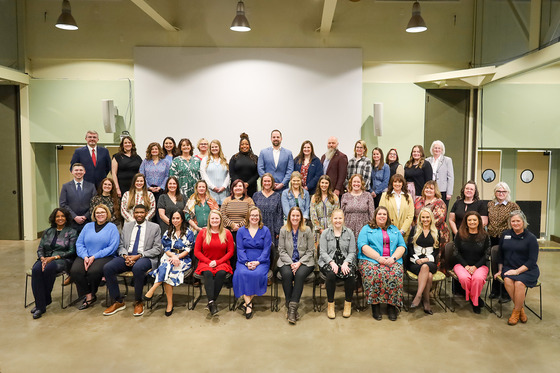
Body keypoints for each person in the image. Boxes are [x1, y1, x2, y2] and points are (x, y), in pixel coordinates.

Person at [103, 204, 163, 317]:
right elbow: (120, 245)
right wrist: (125, 256)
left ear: (146, 214)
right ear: (133, 214)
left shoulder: (154, 227)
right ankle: (118, 301)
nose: (139, 215)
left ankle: (138, 301)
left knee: (138, 268)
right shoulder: (127, 226)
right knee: (108, 267)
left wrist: (139, 256)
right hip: (127, 256)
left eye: (141, 212)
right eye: (137, 212)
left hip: (145, 257)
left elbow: (157, 249)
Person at [357, 206, 406, 321]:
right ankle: (375, 305)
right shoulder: (366, 229)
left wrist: (393, 258)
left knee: (396, 273)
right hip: (370, 260)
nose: (382, 216)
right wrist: (378, 258)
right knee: (373, 273)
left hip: (392, 260)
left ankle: (392, 306)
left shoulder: (394, 229)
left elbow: (402, 246)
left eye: (384, 214)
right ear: (375, 216)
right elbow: (363, 246)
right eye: (379, 214)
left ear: (387, 216)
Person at [144, 210, 194, 316]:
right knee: (168, 268)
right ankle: (169, 304)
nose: (175, 221)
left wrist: (177, 257)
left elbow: (188, 249)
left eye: (178, 218)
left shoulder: (189, 232)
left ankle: (154, 288)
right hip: (169, 256)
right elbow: (166, 248)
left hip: (183, 259)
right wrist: (172, 256)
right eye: (173, 218)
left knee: (167, 267)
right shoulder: (168, 232)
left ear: (182, 219)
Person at [30, 208, 77, 319]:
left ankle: (40, 305)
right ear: (54, 219)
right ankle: (42, 302)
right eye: (57, 216)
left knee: (47, 269)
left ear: (66, 218)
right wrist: (42, 258)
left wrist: (54, 257)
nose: (60, 218)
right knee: (36, 270)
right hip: (45, 259)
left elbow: (72, 251)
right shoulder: (48, 231)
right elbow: (40, 248)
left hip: (62, 259)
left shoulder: (71, 232)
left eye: (62, 216)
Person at [70, 204, 119, 310]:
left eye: (102, 212)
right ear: (94, 215)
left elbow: (112, 247)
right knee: (75, 271)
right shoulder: (87, 226)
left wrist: (94, 256)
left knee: (93, 272)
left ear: (107, 214)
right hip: (85, 255)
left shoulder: (112, 227)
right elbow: (79, 243)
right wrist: (85, 256)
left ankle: (91, 292)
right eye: (97, 213)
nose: (100, 214)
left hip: (104, 256)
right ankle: (89, 296)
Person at [495, 210, 540, 325]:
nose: (515, 223)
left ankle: (516, 312)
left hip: (527, 269)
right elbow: (500, 255)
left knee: (519, 283)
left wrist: (517, 271)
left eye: (518, 221)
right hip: (509, 267)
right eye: (513, 221)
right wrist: (500, 270)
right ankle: (520, 309)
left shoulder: (531, 238)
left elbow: (532, 261)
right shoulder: (505, 234)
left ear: (523, 222)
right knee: (507, 280)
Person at [277, 207, 315, 324]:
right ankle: (291, 307)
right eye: (293, 216)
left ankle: (292, 309)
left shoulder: (307, 230)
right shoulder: (283, 230)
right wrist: (291, 263)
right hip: (286, 261)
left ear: (301, 218)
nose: (295, 218)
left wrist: (299, 263)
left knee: (299, 275)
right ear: (289, 217)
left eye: (297, 216)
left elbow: (310, 251)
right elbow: (281, 250)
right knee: (287, 274)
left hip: (305, 261)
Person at [233, 207, 272, 319]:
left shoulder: (265, 230)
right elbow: (240, 249)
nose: (254, 217)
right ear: (248, 217)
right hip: (243, 260)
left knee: (257, 275)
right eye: (252, 215)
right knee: (241, 274)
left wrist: (257, 262)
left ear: (259, 217)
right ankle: (249, 304)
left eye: (256, 215)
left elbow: (266, 249)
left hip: (261, 261)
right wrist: (246, 263)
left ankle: (246, 303)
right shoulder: (241, 231)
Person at [194, 210, 235, 315]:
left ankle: (211, 302)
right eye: (212, 218)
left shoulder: (227, 233)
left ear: (220, 220)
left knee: (221, 273)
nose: (215, 220)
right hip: (205, 262)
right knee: (207, 273)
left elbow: (231, 251)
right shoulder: (203, 232)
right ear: (209, 220)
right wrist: (209, 261)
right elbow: (197, 252)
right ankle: (212, 302)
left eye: (217, 218)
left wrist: (218, 262)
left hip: (222, 262)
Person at [318, 209, 356, 319]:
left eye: (340, 218)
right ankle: (330, 304)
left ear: (343, 219)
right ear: (331, 219)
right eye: (335, 218)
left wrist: (346, 262)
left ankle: (348, 304)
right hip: (329, 260)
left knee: (350, 274)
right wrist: (331, 262)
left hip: (345, 260)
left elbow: (352, 251)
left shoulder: (349, 232)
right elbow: (323, 252)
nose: (338, 221)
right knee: (330, 274)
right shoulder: (325, 233)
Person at [453, 211, 491, 314]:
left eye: (474, 220)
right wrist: (466, 266)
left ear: (479, 221)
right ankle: (475, 298)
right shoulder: (459, 234)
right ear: (466, 222)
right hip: (462, 265)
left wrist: (475, 266)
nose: (472, 222)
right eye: (469, 220)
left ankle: (474, 302)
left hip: (480, 265)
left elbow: (487, 254)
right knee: (465, 279)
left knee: (477, 279)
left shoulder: (485, 236)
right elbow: (456, 253)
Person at [487, 182, 520, 301]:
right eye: (498, 191)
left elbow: (518, 221)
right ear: (495, 192)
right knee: (495, 262)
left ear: (508, 193)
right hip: (492, 237)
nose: (501, 194)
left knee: (506, 263)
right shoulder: (490, 204)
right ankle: (495, 290)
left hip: (507, 238)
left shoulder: (513, 206)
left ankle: (506, 292)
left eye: (504, 191)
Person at [409, 208, 439, 315]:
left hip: (429, 261)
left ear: (431, 218)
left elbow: (436, 251)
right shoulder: (415, 229)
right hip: (415, 261)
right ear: (420, 218)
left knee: (426, 267)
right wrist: (417, 259)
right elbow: (410, 247)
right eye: (423, 217)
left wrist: (426, 259)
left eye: (427, 217)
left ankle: (418, 295)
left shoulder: (436, 231)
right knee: (429, 276)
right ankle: (426, 302)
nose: (425, 219)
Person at [413, 181, 450, 255]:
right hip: (420, 231)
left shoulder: (439, 202)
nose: (428, 190)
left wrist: (425, 228)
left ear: (435, 191)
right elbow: (413, 216)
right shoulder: (418, 200)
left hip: (437, 232)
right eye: (426, 188)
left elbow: (439, 219)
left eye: (431, 188)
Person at [59, 163, 97, 233]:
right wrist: (74, 217)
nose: (78, 172)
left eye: (81, 170)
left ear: (84, 172)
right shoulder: (66, 186)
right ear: (72, 172)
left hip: (87, 222)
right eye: (76, 170)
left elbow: (94, 203)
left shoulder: (91, 186)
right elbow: (63, 204)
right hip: (71, 222)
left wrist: (85, 216)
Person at [379, 174, 415, 241]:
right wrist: (391, 230)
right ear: (392, 183)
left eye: (399, 182)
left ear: (403, 184)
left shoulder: (408, 197)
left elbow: (410, 216)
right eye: (395, 182)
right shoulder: (385, 196)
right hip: (388, 232)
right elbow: (382, 214)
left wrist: (402, 230)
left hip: (404, 233)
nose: (397, 184)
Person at [341, 174, 375, 244]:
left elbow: (372, 213)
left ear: (362, 183)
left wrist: (371, 228)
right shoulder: (345, 196)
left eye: (358, 182)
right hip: (348, 228)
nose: (356, 184)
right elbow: (342, 213)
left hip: (364, 227)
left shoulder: (368, 195)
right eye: (354, 182)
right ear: (351, 183)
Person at [252, 173, 283, 250]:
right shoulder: (256, 195)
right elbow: (252, 214)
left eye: (269, 181)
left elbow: (279, 214)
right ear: (262, 182)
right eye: (265, 181)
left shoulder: (277, 196)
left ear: (272, 183)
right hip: (258, 227)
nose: (267, 183)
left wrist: (278, 230)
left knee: (271, 251)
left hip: (272, 228)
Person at [139, 142, 171, 210]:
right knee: (149, 209)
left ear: (159, 150)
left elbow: (167, 175)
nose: (154, 150)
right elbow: (141, 175)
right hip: (148, 190)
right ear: (149, 151)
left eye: (156, 149)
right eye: (152, 149)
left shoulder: (166, 162)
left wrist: (161, 187)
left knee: (160, 209)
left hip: (161, 190)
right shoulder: (145, 161)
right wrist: (148, 187)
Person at [310, 175, 339, 244]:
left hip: (331, 228)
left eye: (326, 183)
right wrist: (319, 228)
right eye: (322, 183)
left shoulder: (334, 197)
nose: (324, 185)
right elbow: (312, 213)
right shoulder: (314, 197)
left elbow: (337, 213)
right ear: (319, 184)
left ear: (329, 184)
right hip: (318, 229)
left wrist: (331, 227)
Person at [200, 139, 230, 205]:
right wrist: (212, 187)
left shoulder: (225, 159)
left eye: (216, 147)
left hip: (224, 192)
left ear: (219, 148)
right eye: (212, 147)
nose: (214, 148)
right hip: (210, 192)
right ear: (210, 149)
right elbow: (203, 175)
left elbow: (229, 174)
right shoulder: (205, 160)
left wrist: (224, 186)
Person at [229, 133, 259, 197]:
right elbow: (232, 173)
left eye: (246, 144)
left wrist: (248, 183)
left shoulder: (255, 158)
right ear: (239, 146)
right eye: (242, 144)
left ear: (250, 145)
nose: (244, 146)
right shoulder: (234, 157)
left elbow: (257, 173)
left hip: (251, 188)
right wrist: (240, 185)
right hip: (237, 188)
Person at [426, 140, 454, 207]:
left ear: (442, 150)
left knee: (442, 209)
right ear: (432, 149)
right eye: (435, 148)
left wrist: (449, 193)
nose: (437, 150)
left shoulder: (447, 160)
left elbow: (450, 177)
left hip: (442, 190)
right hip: (430, 189)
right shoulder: (427, 160)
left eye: (439, 148)